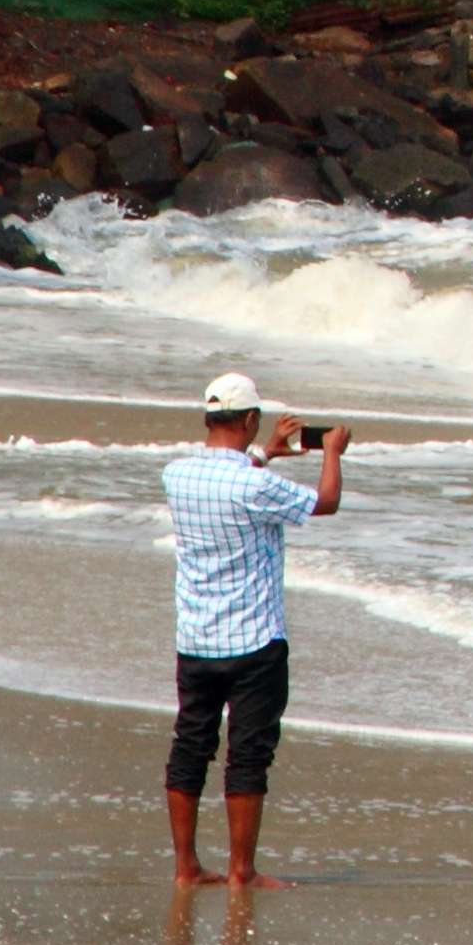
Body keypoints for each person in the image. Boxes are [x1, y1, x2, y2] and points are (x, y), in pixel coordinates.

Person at [162, 370, 344, 889]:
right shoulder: (254, 483)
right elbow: (324, 502)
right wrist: (330, 449)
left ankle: (186, 868)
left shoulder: (176, 475)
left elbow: (234, 479)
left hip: (196, 638)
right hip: (254, 639)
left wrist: (267, 451)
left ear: (208, 418)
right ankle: (242, 869)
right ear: (248, 419)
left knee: (190, 746)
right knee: (248, 754)